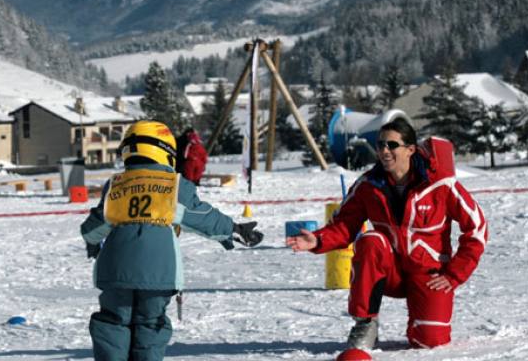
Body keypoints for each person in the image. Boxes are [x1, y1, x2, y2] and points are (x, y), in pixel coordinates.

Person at [286, 118, 487, 352]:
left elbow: (477, 228)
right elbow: (344, 224)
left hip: (428, 274)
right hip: (389, 271)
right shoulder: (368, 184)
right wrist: (318, 239)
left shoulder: (441, 184)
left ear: (411, 150)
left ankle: (421, 322)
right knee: (371, 240)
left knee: (430, 342)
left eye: (392, 145)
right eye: (380, 144)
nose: (384, 150)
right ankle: (366, 321)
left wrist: (453, 275)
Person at [81, 120, 264, 361]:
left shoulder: (115, 185)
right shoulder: (174, 185)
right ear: (165, 150)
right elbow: (202, 217)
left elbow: (93, 227)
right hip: (158, 273)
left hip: (115, 272)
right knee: (151, 324)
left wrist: (94, 246)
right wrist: (234, 229)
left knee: (113, 323)